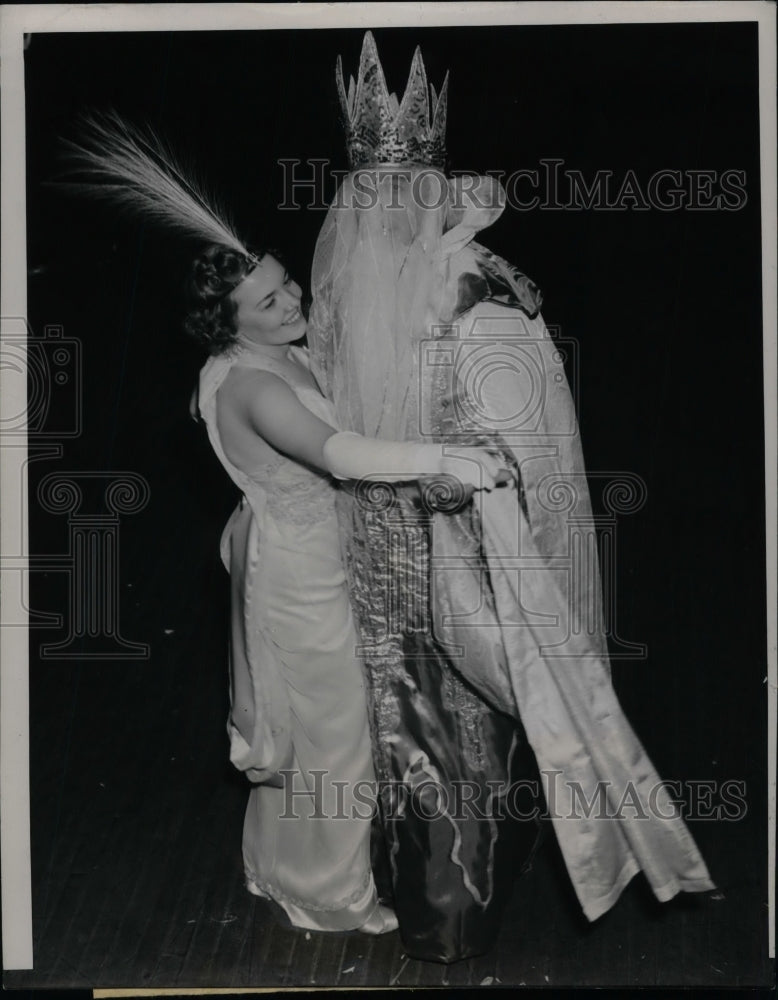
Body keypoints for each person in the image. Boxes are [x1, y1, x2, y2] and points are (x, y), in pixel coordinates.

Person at [307, 30, 716, 961]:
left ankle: (456, 908)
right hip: (374, 547)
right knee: (402, 726)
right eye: (370, 200)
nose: (382, 219)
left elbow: (533, 434)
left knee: (461, 729)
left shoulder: (477, 288)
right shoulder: (341, 284)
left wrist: (472, 470)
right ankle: (425, 897)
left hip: (459, 549)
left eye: (401, 198)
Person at [60, 112, 508, 937]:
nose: (293, 297)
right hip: (301, 574)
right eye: (268, 299)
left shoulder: (276, 352)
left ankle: (270, 867)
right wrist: (445, 459)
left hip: (299, 551)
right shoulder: (252, 386)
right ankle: (326, 896)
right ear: (228, 324)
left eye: (285, 282)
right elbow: (338, 453)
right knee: (335, 739)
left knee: (305, 730)